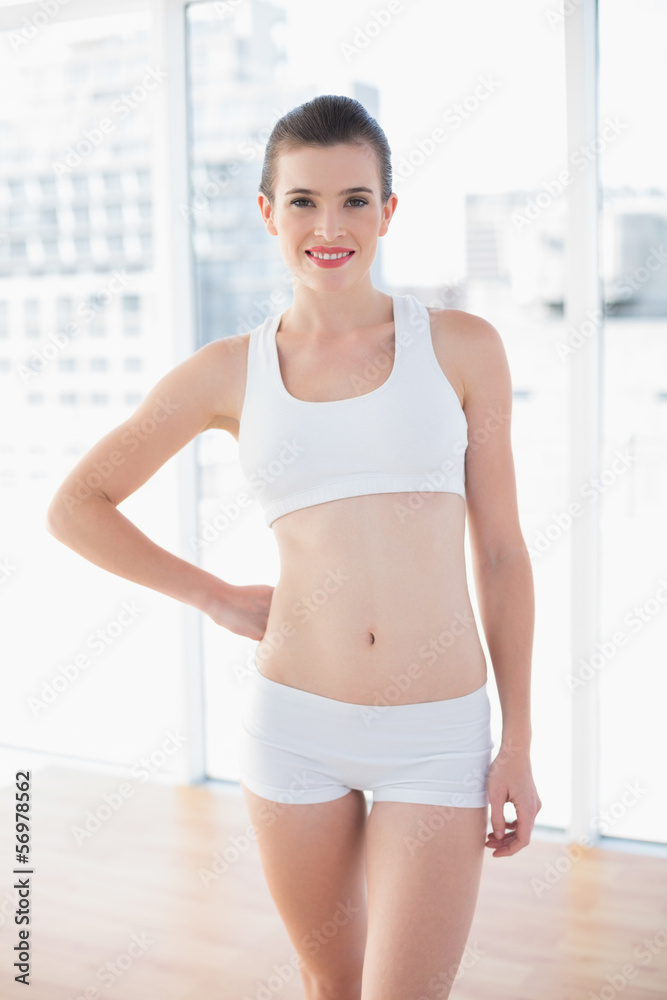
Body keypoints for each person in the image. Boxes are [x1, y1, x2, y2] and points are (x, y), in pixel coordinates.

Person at [47, 94, 542, 1000]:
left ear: (388, 212)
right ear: (269, 213)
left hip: (437, 735)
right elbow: (77, 505)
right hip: (294, 731)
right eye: (304, 201)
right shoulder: (225, 371)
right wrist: (213, 595)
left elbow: (503, 553)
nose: (330, 225)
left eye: (355, 199)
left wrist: (517, 740)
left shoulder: (465, 349)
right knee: (329, 981)